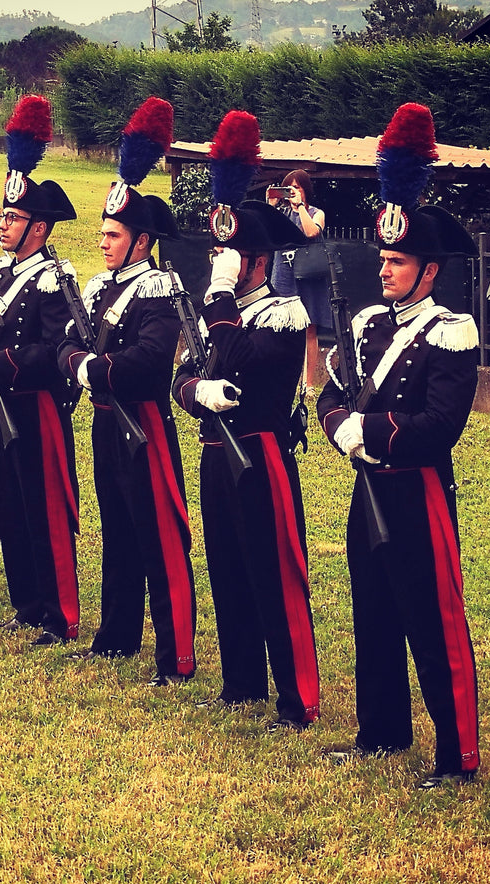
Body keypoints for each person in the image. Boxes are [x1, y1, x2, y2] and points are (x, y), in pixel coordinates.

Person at [315, 103, 480, 788]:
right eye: (382, 259)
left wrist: (372, 432)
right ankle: (380, 730)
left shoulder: (452, 330)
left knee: (432, 620)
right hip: (367, 487)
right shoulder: (365, 325)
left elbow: (441, 426)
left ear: (429, 270)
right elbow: (328, 394)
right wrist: (339, 429)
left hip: (417, 493)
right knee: (373, 610)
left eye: (397, 261)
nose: (383, 271)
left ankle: (457, 753)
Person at [171, 111, 320, 730]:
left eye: (231, 258)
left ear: (256, 263)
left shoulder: (281, 312)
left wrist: (222, 300)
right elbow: (186, 374)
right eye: (219, 257)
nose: (221, 266)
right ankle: (240, 682)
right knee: (226, 565)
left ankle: (296, 696)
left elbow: (246, 364)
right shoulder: (217, 310)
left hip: (261, 455)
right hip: (216, 450)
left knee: (273, 572)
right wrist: (195, 393)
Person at [57, 96, 196, 687]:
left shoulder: (159, 288)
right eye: (103, 232)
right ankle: (116, 634)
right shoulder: (97, 289)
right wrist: (82, 363)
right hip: (105, 422)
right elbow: (66, 344)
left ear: (142, 241)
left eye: (114, 234)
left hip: (144, 425)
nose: (103, 242)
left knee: (159, 538)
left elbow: (145, 366)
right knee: (115, 526)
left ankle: (176, 655)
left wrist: (91, 368)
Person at [0, 95, 81, 648]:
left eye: (13, 218)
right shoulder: (0, 274)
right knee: (11, 500)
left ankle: (61, 613)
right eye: (3, 216)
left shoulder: (53, 276)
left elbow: (55, 349)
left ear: (39, 228)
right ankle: (29, 601)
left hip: (36, 408)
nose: (2, 225)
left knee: (46, 507)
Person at [269, 169, 333, 390]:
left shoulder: (317, 213)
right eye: (289, 188)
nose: (293, 192)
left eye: (297, 187)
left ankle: (308, 383)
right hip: (284, 274)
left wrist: (301, 208)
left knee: (309, 329)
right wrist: (271, 204)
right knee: (280, 327)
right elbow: (267, 231)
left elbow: (311, 233)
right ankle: (280, 376)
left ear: (306, 190)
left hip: (309, 276)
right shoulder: (281, 213)